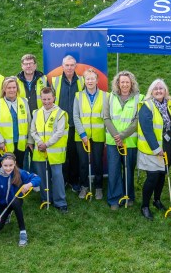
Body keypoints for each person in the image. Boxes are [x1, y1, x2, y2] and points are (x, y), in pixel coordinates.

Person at [137, 79, 171, 220]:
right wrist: (156, 148)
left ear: (165, 91)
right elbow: (147, 130)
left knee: (161, 175)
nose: (159, 91)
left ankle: (157, 200)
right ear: (151, 91)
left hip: (167, 147)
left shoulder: (168, 105)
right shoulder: (147, 106)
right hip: (151, 150)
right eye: (156, 89)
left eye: (161, 88)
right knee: (152, 177)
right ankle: (145, 206)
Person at [30, 87, 69, 212]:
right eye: (44, 99)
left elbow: (59, 132)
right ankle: (46, 198)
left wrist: (46, 144)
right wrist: (40, 142)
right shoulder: (36, 113)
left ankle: (60, 202)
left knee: (57, 176)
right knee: (42, 175)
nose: (46, 101)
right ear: (41, 98)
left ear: (54, 98)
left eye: (49, 99)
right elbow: (33, 130)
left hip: (54, 151)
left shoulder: (60, 113)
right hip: (40, 150)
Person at [72, 68, 108, 200]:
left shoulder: (106, 96)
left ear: (97, 80)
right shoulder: (78, 96)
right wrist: (82, 134)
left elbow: (107, 118)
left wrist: (106, 135)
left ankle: (98, 187)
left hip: (98, 135)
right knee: (82, 163)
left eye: (93, 78)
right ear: (84, 80)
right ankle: (84, 186)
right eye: (88, 79)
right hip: (81, 136)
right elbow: (75, 116)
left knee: (98, 162)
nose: (90, 81)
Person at [0, 153, 39, 246]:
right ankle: (7, 214)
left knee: (15, 201)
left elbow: (37, 178)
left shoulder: (20, 172)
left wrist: (29, 184)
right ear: (1, 164)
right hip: (4, 204)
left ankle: (23, 232)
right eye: (5, 165)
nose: (8, 168)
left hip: (16, 200)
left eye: (11, 165)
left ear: (15, 163)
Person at [106, 70, 140, 209]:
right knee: (114, 170)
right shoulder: (109, 97)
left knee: (128, 170)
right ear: (118, 84)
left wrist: (123, 136)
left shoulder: (139, 98)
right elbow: (106, 117)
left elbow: (137, 120)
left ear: (131, 83)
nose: (125, 84)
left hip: (130, 141)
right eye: (122, 82)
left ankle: (129, 196)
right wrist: (116, 136)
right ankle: (114, 199)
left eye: (127, 82)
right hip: (112, 141)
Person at [52, 55, 84, 194]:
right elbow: (50, 101)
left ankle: (74, 181)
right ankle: (64, 180)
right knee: (62, 154)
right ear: (62, 66)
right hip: (61, 125)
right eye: (67, 65)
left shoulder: (82, 81)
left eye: (72, 65)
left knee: (75, 154)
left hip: (77, 125)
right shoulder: (55, 81)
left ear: (75, 66)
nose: (69, 68)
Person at [0, 76, 30, 169]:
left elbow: (29, 122)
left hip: (20, 143)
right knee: (5, 170)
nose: (12, 90)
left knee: (19, 169)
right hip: (4, 145)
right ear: (4, 89)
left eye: (14, 87)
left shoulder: (24, 102)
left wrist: (29, 139)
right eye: (9, 88)